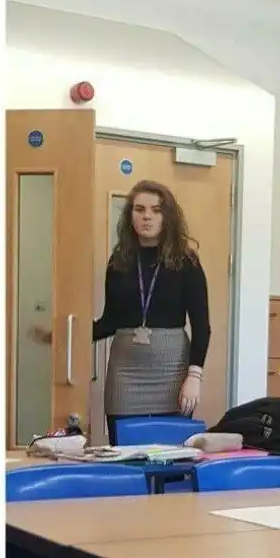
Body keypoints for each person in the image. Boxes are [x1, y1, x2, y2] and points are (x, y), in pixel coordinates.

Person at [94, 179, 211, 446]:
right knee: (125, 453)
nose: (147, 216)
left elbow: (202, 326)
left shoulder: (186, 262)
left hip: (172, 373)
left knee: (171, 454)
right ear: (130, 215)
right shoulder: (118, 262)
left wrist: (194, 376)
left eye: (156, 210)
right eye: (140, 209)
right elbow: (110, 321)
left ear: (167, 217)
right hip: (125, 374)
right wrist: (67, 336)